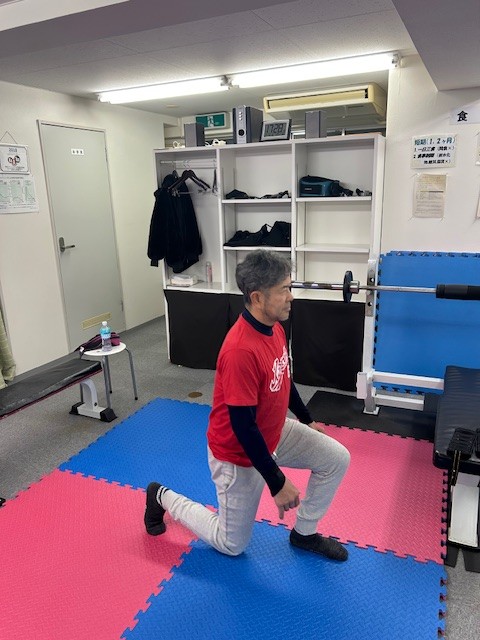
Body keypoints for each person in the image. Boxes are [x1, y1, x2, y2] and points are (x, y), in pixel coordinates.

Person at [145, 249, 350, 560]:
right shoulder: (240, 350)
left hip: (273, 432)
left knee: (336, 458)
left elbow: (283, 377)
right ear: (257, 297)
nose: (291, 297)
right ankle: (161, 496)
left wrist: (307, 419)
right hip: (238, 453)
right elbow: (243, 427)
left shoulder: (275, 326)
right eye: (284, 290)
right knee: (232, 544)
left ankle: (304, 533)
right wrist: (277, 481)